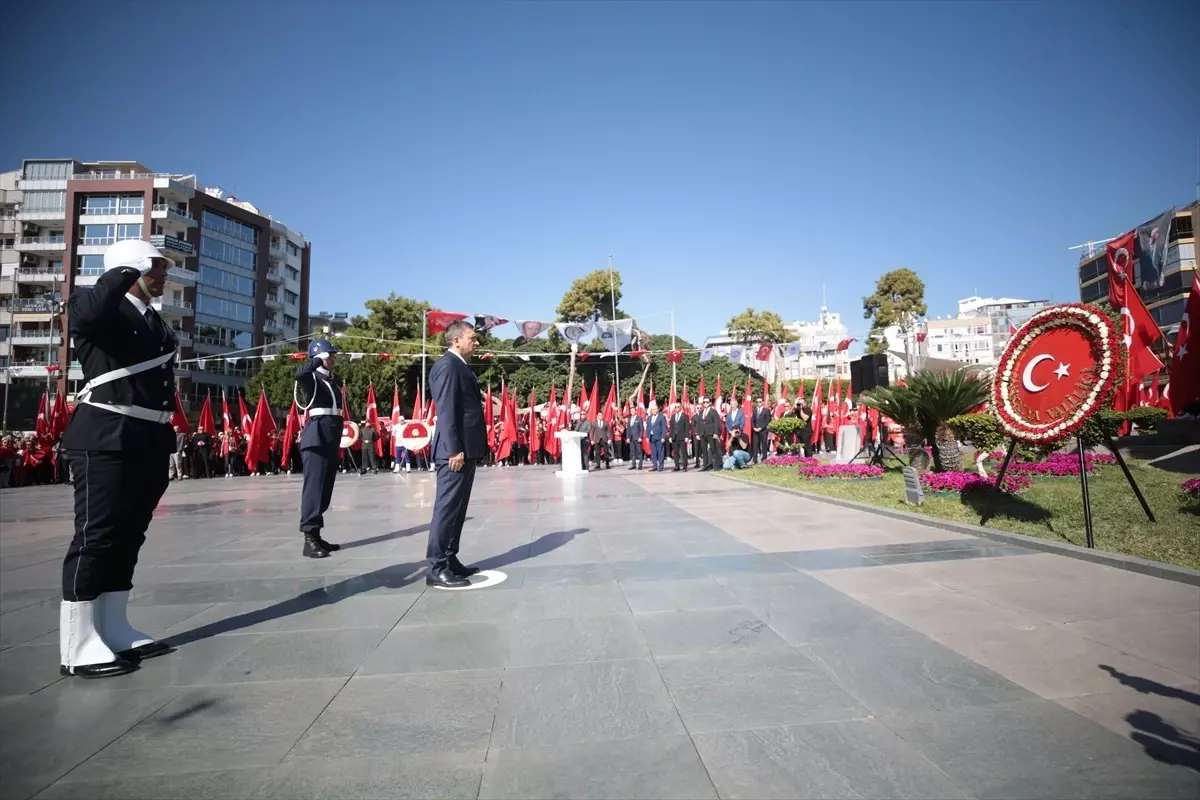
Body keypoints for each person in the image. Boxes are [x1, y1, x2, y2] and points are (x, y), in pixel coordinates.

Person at [58, 238, 178, 679]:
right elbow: (85, 316)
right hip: (105, 436)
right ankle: (77, 644)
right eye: (157, 267)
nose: (164, 274)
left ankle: (113, 627)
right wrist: (128, 268)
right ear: (133, 269)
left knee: (129, 536)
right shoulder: (98, 308)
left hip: (147, 437)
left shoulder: (154, 321)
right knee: (96, 537)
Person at [425, 319, 487, 588]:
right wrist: (454, 448)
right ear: (456, 340)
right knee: (447, 508)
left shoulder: (461, 367)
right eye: (472, 338)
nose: (476, 342)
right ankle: (436, 566)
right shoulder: (447, 366)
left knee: (458, 509)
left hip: (466, 448)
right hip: (454, 451)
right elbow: (447, 410)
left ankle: (450, 559)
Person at [295, 338, 344, 558]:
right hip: (316, 438)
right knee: (314, 490)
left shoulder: (331, 381)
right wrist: (316, 359)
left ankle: (316, 534)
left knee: (325, 490)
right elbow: (299, 374)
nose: (333, 358)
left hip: (331, 438)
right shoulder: (311, 379)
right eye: (329, 355)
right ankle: (308, 539)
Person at [697, 396, 724, 470]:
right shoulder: (701, 412)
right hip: (703, 434)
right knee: (704, 450)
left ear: (710, 403)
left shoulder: (713, 411)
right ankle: (705, 466)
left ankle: (716, 465)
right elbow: (699, 423)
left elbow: (716, 423)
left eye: (707, 402)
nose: (705, 403)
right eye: (704, 402)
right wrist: (698, 433)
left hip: (711, 433)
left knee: (713, 449)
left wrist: (716, 433)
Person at [669, 403, 690, 472]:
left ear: (680, 407)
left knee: (683, 452)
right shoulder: (673, 416)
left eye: (678, 407)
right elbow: (671, 428)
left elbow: (687, 427)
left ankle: (684, 466)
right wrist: (670, 436)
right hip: (674, 437)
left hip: (682, 437)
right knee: (675, 452)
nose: (677, 408)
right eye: (675, 407)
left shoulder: (685, 416)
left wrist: (687, 436)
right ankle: (677, 466)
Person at [647, 402, 666, 472]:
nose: (653, 411)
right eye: (652, 410)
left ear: (657, 410)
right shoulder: (649, 418)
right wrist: (647, 436)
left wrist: (663, 437)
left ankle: (661, 466)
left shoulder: (662, 417)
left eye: (654, 409)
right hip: (652, 437)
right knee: (653, 453)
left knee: (660, 452)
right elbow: (648, 427)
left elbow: (664, 427)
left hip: (659, 437)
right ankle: (654, 466)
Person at [751, 397, 772, 464]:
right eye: (757, 402)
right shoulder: (754, 410)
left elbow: (768, 421)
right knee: (755, 445)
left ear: (762, 402)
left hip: (763, 431)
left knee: (764, 445)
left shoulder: (766, 410)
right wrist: (754, 427)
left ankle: (764, 458)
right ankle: (754, 460)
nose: (758, 403)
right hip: (755, 430)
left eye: (760, 402)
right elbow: (752, 421)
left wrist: (761, 428)